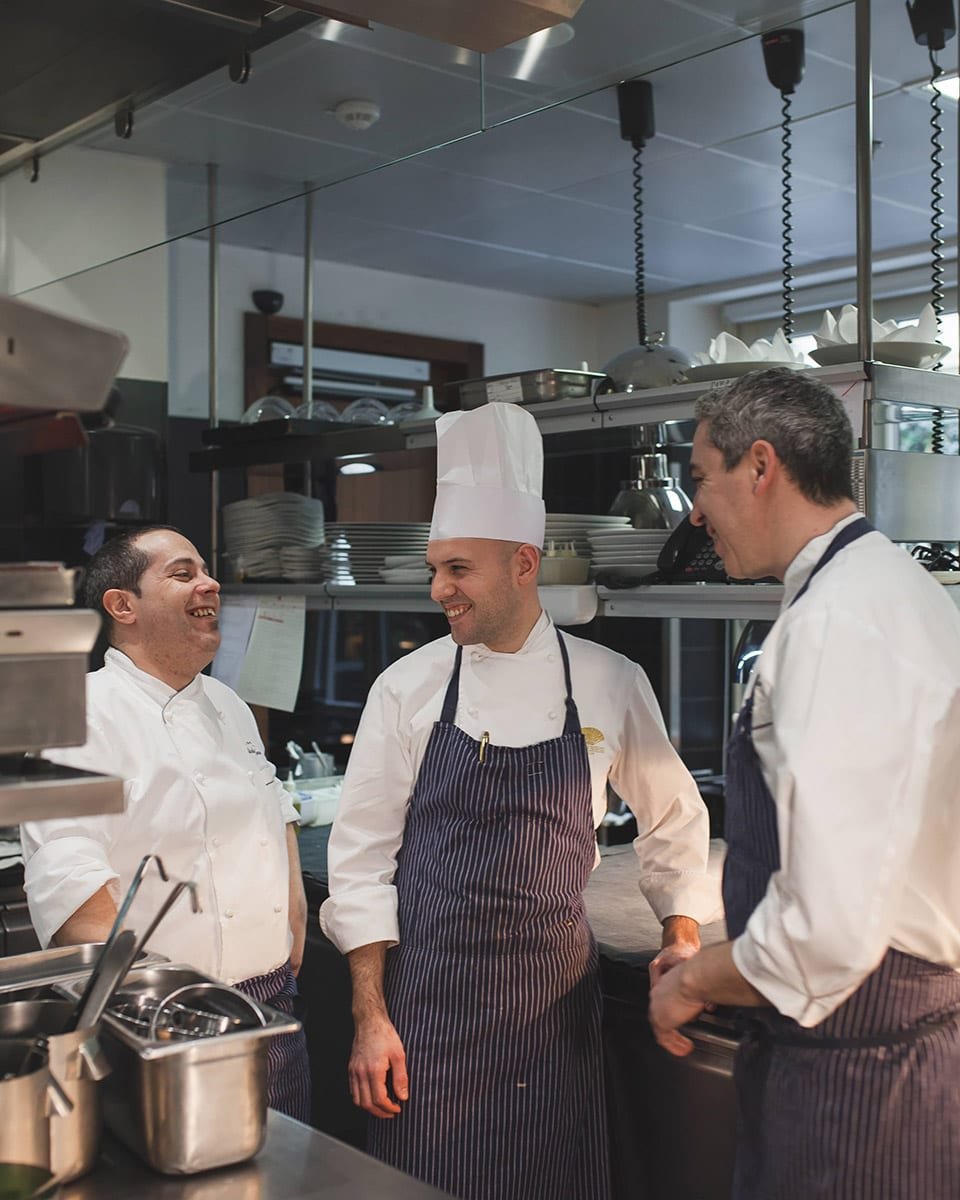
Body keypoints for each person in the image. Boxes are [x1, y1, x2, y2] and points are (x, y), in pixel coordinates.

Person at [320, 402, 718, 1200]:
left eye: (459, 569)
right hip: (426, 1014)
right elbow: (359, 862)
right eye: (435, 568)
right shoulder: (407, 687)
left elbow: (674, 819)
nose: (439, 589)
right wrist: (370, 1016)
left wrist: (680, 930)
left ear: (524, 565)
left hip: (553, 1020)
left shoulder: (608, 680)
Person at [649, 367, 960, 1199]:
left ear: (760, 467)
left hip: (858, 1082)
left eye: (700, 478)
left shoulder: (839, 622)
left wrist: (695, 981)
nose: (693, 510)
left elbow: (828, 930)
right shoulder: (887, 588)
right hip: (869, 1049)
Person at [21, 526, 311, 1122]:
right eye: (182, 574)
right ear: (122, 605)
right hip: (159, 1024)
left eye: (206, 570)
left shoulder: (228, 704)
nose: (210, 583)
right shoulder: (77, 715)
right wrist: (168, 1004)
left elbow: (274, 806)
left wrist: (293, 925)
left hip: (270, 1010)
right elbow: (71, 891)